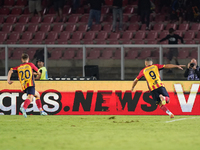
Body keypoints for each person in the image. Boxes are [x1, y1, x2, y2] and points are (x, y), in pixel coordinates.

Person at [7, 53, 47, 118]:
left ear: (21, 60)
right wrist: (34, 73)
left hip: (24, 86)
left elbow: (10, 71)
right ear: (28, 59)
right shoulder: (30, 65)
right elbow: (38, 73)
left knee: (37, 95)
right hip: (30, 84)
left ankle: (41, 111)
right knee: (30, 98)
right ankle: (24, 107)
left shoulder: (19, 67)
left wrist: (8, 80)